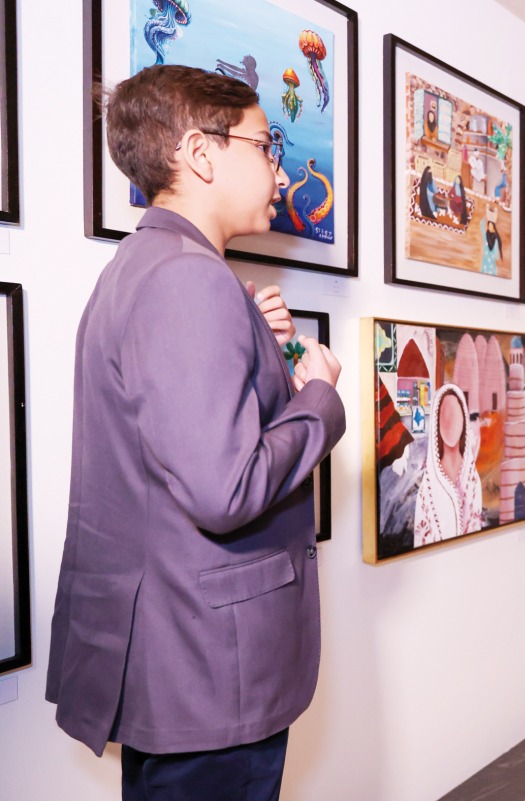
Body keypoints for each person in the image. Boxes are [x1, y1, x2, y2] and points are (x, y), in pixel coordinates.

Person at [45, 65, 346, 800]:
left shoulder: (145, 267)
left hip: (181, 658)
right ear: (200, 153)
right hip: (212, 669)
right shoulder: (189, 279)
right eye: (265, 146)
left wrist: (258, 349)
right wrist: (318, 399)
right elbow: (226, 488)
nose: (280, 171)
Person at [414, 384, 485, 546]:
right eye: (445, 416)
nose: (450, 422)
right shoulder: (427, 488)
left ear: (464, 420)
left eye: (455, 415)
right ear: (436, 423)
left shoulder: (473, 480)